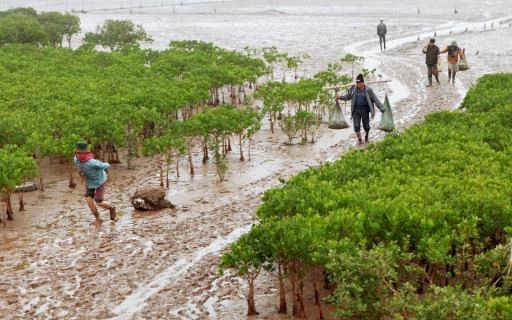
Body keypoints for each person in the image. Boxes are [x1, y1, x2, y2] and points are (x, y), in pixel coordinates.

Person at [73, 142, 116, 223]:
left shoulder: (92, 162)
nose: (78, 155)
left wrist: (104, 170)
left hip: (100, 181)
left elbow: (106, 165)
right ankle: (98, 219)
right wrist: (82, 175)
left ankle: (111, 207)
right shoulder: (76, 159)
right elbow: (79, 168)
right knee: (89, 201)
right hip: (90, 182)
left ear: (86, 153)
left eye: (80, 153)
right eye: (77, 153)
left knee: (98, 201)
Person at [336, 74, 385, 145]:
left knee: (366, 126)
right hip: (356, 110)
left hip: (365, 109)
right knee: (356, 126)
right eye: (357, 84)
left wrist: (382, 108)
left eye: (360, 84)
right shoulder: (353, 89)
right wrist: (340, 97)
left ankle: (366, 136)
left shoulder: (368, 90)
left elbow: (375, 99)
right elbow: (348, 96)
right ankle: (359, 140)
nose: (358, 85)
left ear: (363, 83)